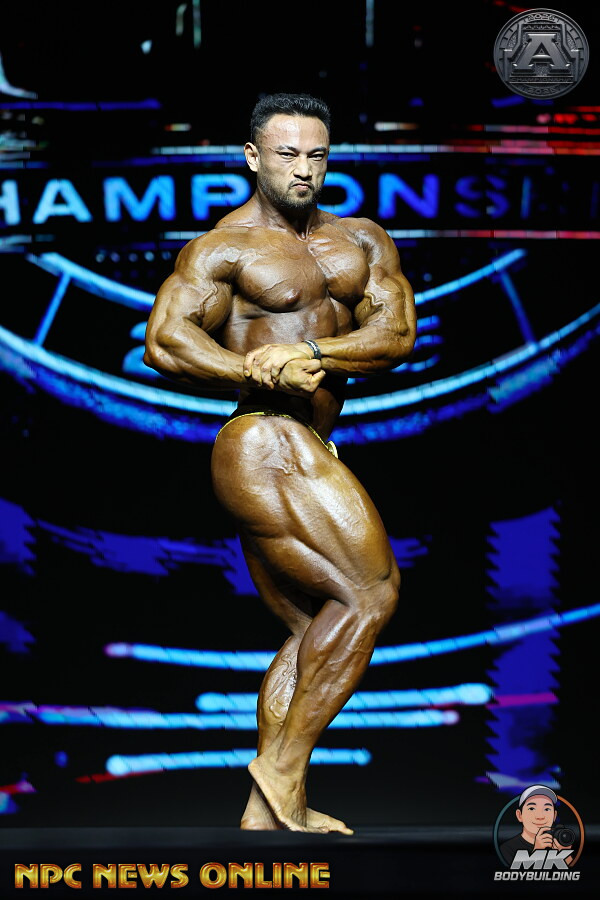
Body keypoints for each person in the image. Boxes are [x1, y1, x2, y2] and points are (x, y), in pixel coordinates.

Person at [144, 93, 417, 833]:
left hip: (309, 446)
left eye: (316, 155)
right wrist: (251, 368)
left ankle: (267, 813)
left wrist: (313, 351)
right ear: (252, 157)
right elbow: (165, 340)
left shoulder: (361, 240)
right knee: (370, 595)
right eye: (287, 154)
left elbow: (396, 336)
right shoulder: (223, 248)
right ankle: (282, 771)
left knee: (315, 628)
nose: (303, 169)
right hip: (263, 440)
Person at [500, 785, 575, 866]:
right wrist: (537, 851)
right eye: (532, 808)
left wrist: (565, 854)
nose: (540, 816)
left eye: (547, 809)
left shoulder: (559, 842)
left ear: (554, 816)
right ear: (519, 815)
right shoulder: (507, 848)